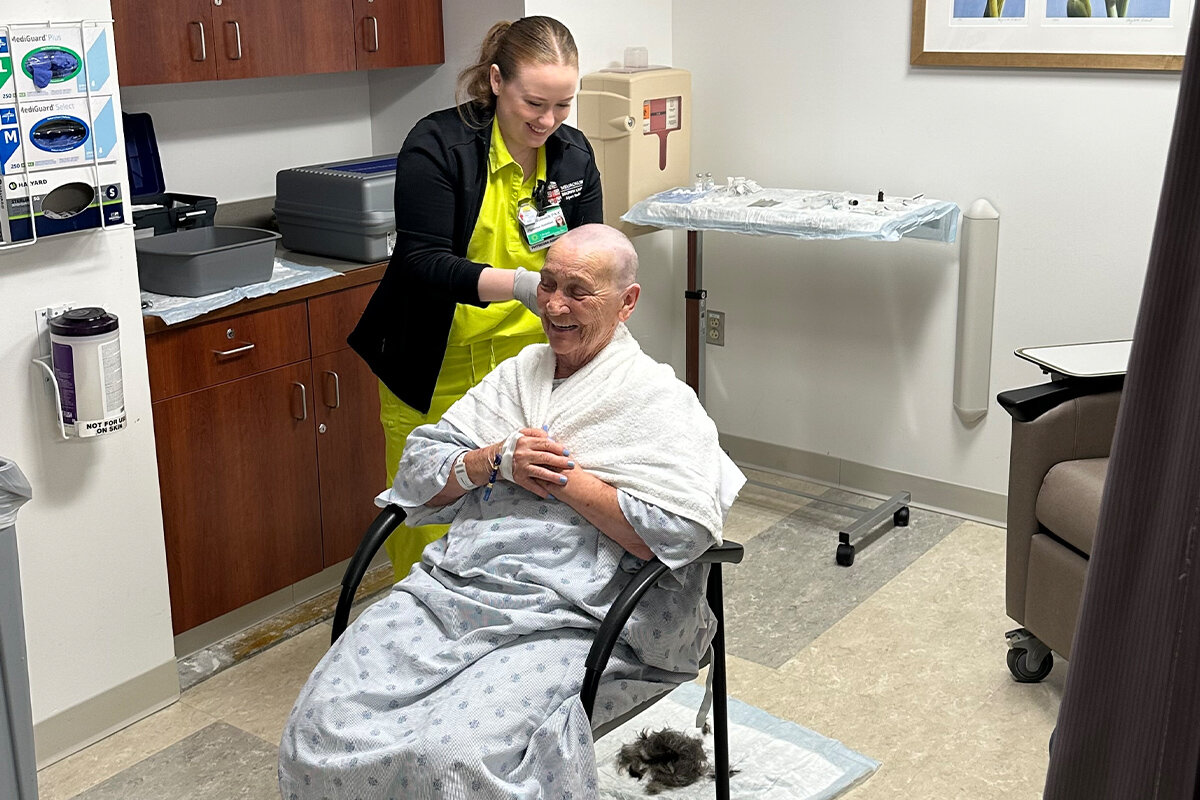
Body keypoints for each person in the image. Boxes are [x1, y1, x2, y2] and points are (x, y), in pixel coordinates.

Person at [280, 225, 743, 800]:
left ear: (628, 303)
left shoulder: (658, 400)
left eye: (578, 291)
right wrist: (492, 460)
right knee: (322, 721)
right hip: (457, 589)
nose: (554, 305)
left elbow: (678, 532)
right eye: (547, 285)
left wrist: (565, 478)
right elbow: (419, 470)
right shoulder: (520, 374)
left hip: (576, 612)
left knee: (459, 754)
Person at [347, 16, 604, 581]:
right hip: (437, 365)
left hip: (533, 367)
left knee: (529, 521)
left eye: (563, 105)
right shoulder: (440, 145)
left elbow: (591, 250)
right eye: (535, 102)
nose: (547, 121)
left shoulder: (571, 154)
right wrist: (520, 286)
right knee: (432, 520)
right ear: (495, 80)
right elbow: (422, 261)